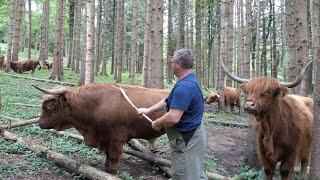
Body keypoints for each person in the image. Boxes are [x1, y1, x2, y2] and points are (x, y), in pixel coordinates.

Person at [138, 48, 207, 180]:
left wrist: (157, 123)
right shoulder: (187, 80)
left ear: (179, 64)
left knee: (185, 175)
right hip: (191, 135)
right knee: (195, 173)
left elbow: (173, 117)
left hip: (187, 140)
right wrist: (148, 110)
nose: (171, 65)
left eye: (172, 62)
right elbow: (168, 99)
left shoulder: (185, 87)